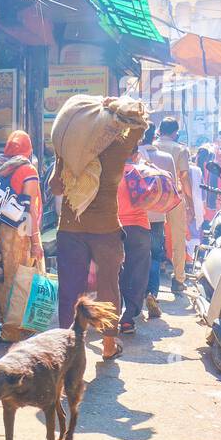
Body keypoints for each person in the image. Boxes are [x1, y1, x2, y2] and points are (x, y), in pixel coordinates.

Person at [50, 99, 145, 361]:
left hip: (70, 229)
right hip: (106, 231)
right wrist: (117, 107)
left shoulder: (69, 152)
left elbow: (56, 188)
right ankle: (108, 343)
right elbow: (141, 124)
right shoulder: (118, 147)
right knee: (108, 288)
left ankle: (68, 345)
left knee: (70, 288)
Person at [0, 130, 43, 342]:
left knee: (5, 278)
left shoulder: (0, 168)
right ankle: (14, 329)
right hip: (19, 231)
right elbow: (29, 208)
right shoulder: (27, 170)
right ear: (28, 148)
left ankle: (8, 323)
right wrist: (35, 241)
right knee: (22, 278)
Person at [138, 124, 177, 320]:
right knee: (154, 256)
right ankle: (152, 293)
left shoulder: (130, 157)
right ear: (154, 135)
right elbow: (173, 189)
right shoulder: (166, 158)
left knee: (133, 257)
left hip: (132, 217)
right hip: (157, 217)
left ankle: (133, 299)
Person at [153, 117, 194, 300]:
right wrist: (191, 202)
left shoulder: (150, 146)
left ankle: (151, 279)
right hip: (175, 198)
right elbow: (184, 177)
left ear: (160, 130)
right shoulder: (180, 149)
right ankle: (178, 279)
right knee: (177, 238)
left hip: (151, 197)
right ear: (175, 132)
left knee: (152, 236)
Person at [116, 149, 153, 335]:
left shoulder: (110, 173)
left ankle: (112, 316)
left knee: (115, 274)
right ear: (136, 154)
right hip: (139, 228)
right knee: (137, 274)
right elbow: (150, 200)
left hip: (115, 228)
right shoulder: (142, 172)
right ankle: (128, 319)